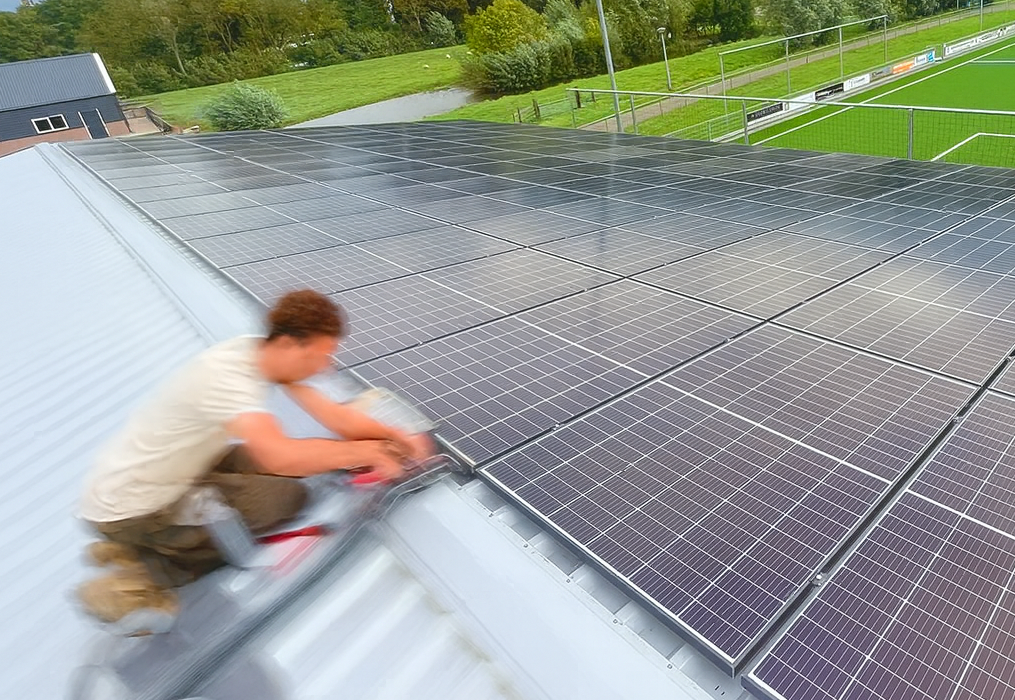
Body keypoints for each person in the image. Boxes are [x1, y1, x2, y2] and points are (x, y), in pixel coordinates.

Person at [76, 289, 432, 634]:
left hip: (158, 476)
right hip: (136, 506)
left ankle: (137, 543)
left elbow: (335, 417)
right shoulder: (230, 379)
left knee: (282, 463)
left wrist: (394, 437)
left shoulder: (258, 353)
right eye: (322, 355)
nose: (327, 367)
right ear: (291, 344)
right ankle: (136, 576)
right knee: (285, 497)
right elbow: (277, 455)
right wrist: (365, 453)